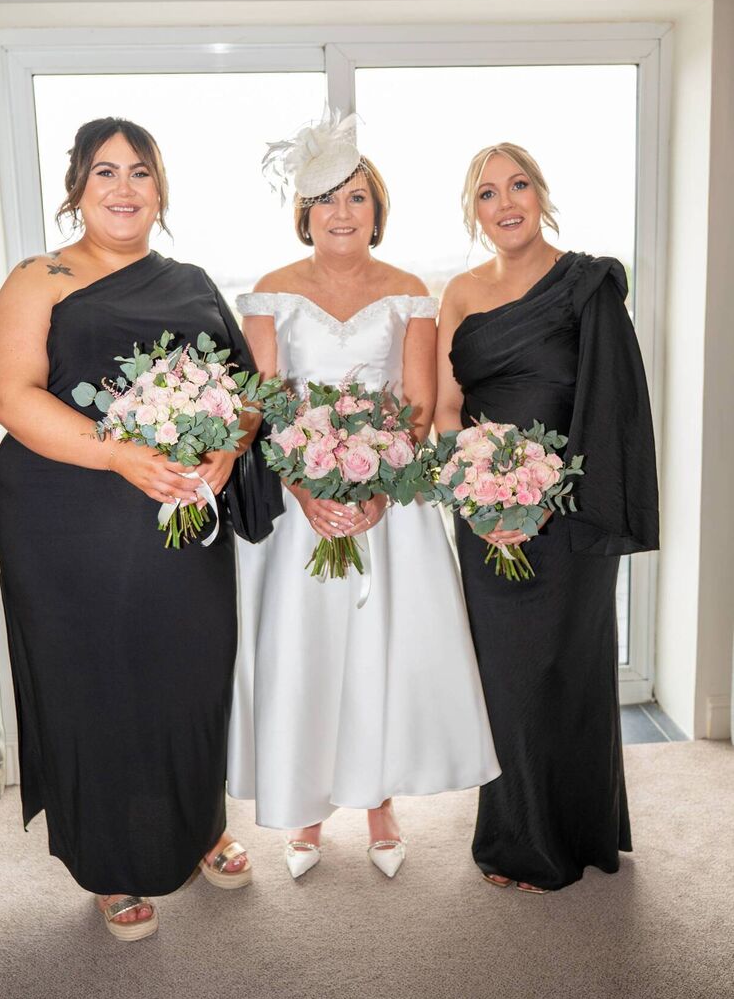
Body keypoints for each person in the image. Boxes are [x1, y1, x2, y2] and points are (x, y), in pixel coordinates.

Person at [0, 117, 278, 940]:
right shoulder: (36, 278)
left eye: (139, 173)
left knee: (187, 675)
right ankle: (110, 863)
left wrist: (229, 449)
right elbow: (11, 397)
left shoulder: (190, 279)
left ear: (160, 190)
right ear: (76, 185)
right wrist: (118, 455)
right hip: (69, 523)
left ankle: (198, 825)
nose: (122, 188)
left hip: (180, 527)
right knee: (97, 686)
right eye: (104, 171)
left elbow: (245, 390)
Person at [227, 111, 500, 879]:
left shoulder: (410, 292)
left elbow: (414, 407)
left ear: (376, 210)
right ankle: (306, 806)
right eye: (325, 199)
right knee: (306, 652)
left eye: (355, 197)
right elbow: (263, 404)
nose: (340, 212)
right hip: (298, 506)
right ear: (303, 213)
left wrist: (376, 492)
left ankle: (380, 801)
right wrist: (307, 490)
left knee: (382, 647)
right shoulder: (270, 294)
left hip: (390, 503)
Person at [435, 141, 659, 893]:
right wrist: (475, 491)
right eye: (487, 192)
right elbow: (443, 409)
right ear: (473, 210)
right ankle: (514, 837)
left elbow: (615, 404)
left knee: (568, 672)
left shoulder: (585, 284)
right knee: (504, 680)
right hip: (484, 516)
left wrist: (546, 492)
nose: (505, 203)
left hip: (571, 515)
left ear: (540, 194)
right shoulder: (460, 293)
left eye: (518, 185)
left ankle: (576, 833)